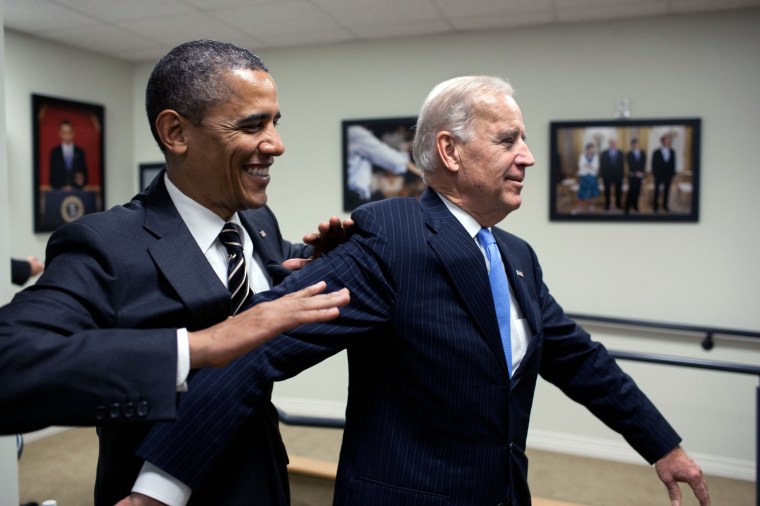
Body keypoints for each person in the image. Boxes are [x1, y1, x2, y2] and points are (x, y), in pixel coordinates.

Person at [125, 76, 710, 506]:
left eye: (524, 142)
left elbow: (579, 358)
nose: (527, 157)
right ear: (451, 152)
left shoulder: (516, 256)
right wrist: (160, 487)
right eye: (508, 141)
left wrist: (662, 444)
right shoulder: (392, 237)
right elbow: (255, 343)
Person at [0, 37, 351, 468]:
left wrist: (315, 258)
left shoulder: (257, 222)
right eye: (252, 125)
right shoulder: (104, 243)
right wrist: (203, 345)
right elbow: (9, 366)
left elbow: (257, 272)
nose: (276, 144)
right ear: (176, 133)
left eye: (275, 123)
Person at [345, 124, 421, 209]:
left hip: (356, 196)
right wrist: (421, 173)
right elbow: (390, 158)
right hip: (354, 195)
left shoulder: (401, 180)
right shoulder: (355, 132)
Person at [49, 119, 88, 190]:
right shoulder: (55, 152)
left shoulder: (80, 152)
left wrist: (79, 182)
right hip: (59, 193)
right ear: (60, 133)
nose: (66, 135)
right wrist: (63, 187)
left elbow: (85, 176)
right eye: (64, 132)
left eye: (69, 132)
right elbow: (52, 178)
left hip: (77, 192)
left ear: (73, 133)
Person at [652, 133, 676, 212]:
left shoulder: (672, 152)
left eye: (668, 139)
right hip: (658, 175)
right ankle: (655, 206)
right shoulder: (656, 152)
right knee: (657, 191)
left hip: (668, 175)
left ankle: (665, 205)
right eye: (665, 139)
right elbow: (653, 164)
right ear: (662, 141)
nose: (667, 141)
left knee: (667, 191)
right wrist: (655, 174)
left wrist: (673, 174)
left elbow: (673, 163)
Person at [573, 142, 599, 214]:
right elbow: (580, 165)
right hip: (584, 176)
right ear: (586, 149)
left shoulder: (596, 156)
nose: (591, 150)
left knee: (591, 191)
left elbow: (596, 166)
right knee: (582, 192)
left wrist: (588, 165)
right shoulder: (582, 156)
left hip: (592, 176)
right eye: (589, 149)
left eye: (592, 149)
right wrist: (591, 166)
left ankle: (590, 206)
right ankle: (580, 206)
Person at [599, 138, 624, 211]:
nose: (613, 144)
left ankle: (618, 204)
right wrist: (603, 175)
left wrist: (622, 175)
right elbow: (602, 165)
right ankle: (607, 204)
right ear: (609, 144)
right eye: (612, 143)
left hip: (618, 176)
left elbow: (622, 165)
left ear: (616, 144)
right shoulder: (604, 153)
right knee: (607, 191)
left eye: (615, 143)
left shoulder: (620, 153)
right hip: (607, 176)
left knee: (618, 191)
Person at [625, 138, 646, 214]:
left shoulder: (643, 153)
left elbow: (643, 164)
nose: (635, 145)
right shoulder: (628, 154)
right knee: (631, 191)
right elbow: (630, 165)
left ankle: (635, 206)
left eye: (636, 143)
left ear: (638, 144)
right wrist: (635, 172)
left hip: (640, 175)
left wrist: (641, 173)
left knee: (637, 191)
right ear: (631, 145)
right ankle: (627, 207)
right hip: (632, 175)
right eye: (633, 144)